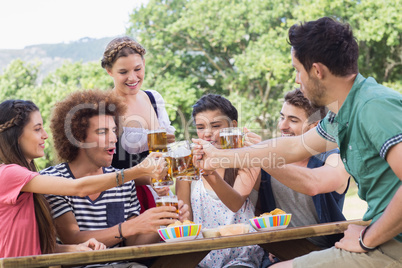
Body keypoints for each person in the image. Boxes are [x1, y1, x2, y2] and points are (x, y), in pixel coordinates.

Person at [194, 17, 402, 267]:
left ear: (317, 71)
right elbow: (294, 147)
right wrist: (220, 157)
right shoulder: (345, 111)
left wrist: (368, 239)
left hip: (390, 244)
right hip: (380, 237)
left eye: (297, 70)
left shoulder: (373, 106)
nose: (296, 79)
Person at [0, 98, 165, 258]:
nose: (45, 135)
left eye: (114, 131)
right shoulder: (9, 174)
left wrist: (76, 249)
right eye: (37, 129)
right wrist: (138, 171)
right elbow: (78, 188)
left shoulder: (31, 183)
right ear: (16, 136)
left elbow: (41, 247)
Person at [41, 90, 189, 267]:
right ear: (79, 138)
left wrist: (163, 222)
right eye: (102, 132)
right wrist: (128, 228)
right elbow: (72, 238)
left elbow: (134, 244)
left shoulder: (123, 183)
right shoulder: (53, 180)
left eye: (114, 130)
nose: (113, 139)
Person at [257, 88, 350, 267]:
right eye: (282, 117)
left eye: (293, 120)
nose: (282, 126)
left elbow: (313, 183)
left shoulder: (335, 158)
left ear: (315, 126)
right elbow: (253, 208)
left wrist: (260, 156)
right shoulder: (270, 160)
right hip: (280, 252)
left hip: (327, 253)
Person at [177, 94, 264, 267]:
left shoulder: (248, 158)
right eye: (200, 127)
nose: (207, 133)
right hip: (201, 259)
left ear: (233, 126)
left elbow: (235, 202)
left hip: (241, 258)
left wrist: (208, 172)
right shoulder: (188, 162)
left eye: (216, 126)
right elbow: (185, 221)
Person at [101, 36, 175, 211]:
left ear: (144, 64)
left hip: (162, 193)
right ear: (109, 71)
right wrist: (149, 179)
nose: (132, 77)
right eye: (123, 72)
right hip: (126, 199)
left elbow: (165, 154)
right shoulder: (106, 108)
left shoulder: (153, 98)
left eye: (137, 69)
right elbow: (103, 170)